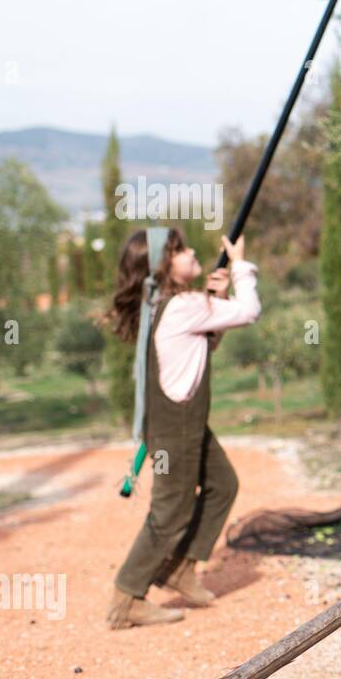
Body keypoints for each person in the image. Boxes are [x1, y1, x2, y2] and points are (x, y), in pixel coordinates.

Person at [104, 227, 261, 629]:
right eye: (180, 249)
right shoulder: (183, 304)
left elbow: (204, 344)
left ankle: (180, 569)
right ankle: (126, 599)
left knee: (222, 484)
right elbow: (250, 312)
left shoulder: (166, 304)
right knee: (170, 512)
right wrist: (240, 266)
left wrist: (216, 299)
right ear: (162, 264)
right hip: (178, 428)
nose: (192, 251)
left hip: (180, 423)